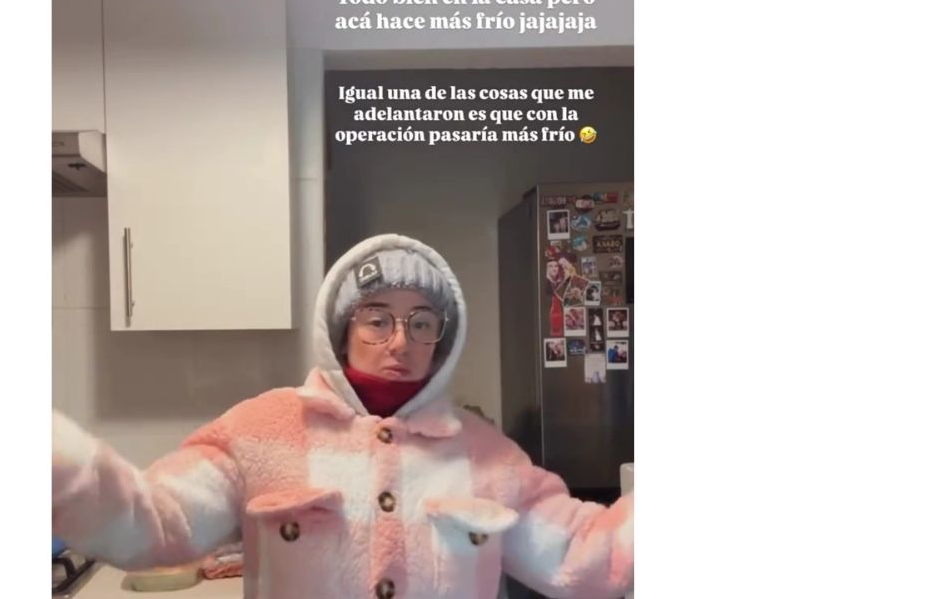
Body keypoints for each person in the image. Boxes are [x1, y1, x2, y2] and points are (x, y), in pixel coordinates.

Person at [53, 234, 633, 599]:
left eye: (422, 323)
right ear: (342, 331)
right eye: (377, 319)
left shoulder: (487, 455)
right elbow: (157, 524)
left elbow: (584, 556)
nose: (400, 341)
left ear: (443, 338)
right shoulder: (259, 431)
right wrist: (61, 463)